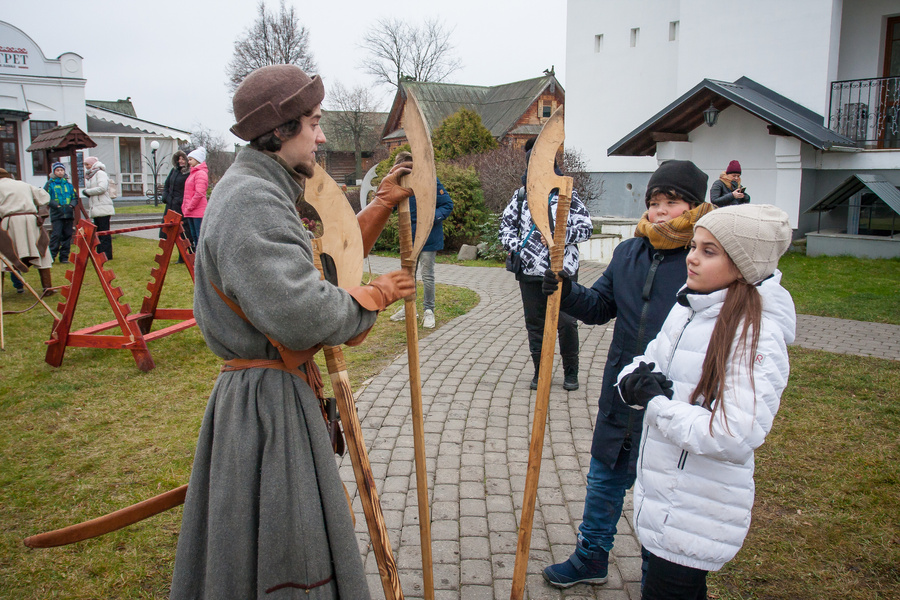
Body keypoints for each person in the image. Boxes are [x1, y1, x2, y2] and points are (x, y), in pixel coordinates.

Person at [169, 64, 416, 600]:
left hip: (275, 393)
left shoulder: (262, 189)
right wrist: (373, 297)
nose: (322, 136)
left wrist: (379, 206)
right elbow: (302, 311)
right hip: (267, 409)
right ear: (280, 130)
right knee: (285, 549)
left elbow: (320, 270)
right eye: (314, 122)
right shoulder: (251, 201)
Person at [541, 160, 713, 588]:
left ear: (693, 205)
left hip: (674, 397)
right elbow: (600, 307)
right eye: (654, 202)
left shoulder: (705, 260)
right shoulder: (629, 252)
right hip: (622, 388)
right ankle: (592, 556)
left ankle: (660, 574)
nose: (659, 211)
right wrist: (566, 289)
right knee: (604, 477)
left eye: (671, 202)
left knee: (664, 489)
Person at [617, 204, 795, 599]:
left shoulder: (755, 336)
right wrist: (630, 383)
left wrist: (658, 406)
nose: (691, 257)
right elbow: (648, 360)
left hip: (697, 511)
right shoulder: (691, 307)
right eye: (694, 246)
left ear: (744, 265)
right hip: (666, 498)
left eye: (708, 251)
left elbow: (732, 435)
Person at [499, 139, 593, 391]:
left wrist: (558, 234)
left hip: (560, 271)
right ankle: (540, 372)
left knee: (566, 322)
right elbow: (505, 228)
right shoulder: (520, 196)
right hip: (529, 272)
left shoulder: (566, 193)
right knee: (536, 324)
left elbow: (586, 228)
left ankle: (570, 372)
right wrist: (518, 245)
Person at [388, 150, 454, 329]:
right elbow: (392, 206)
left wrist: (430, 219)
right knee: (408, 274)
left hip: (428, 236)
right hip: (408, 237)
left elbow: (447, 205)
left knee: (427, 275)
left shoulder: (430, 181)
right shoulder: (399, 183)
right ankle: (409, 308)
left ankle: (428, 311)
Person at [0, 168, 54, 295]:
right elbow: (45, 197)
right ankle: (47, 288)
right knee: (41, 252)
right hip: (31, 220)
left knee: (4, 254)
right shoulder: (23, 184)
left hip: (10, 222)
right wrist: (40, 214)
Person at [44, 161, 79, 264]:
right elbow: (46, 197)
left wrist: (71, 205)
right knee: (56, 235)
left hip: (68, 213)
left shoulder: (68, 184)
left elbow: (74, 197)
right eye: (57, 170)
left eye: (61, 170)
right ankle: (51, 257)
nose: (60, 172)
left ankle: (64, 257)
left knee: (67, 235)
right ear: (54, 172)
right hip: (57, 214)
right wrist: (56, 205)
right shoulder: (50, 184)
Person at [82, 156, 115, 260]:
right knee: (99, 232)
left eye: (88, 164)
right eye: (85, 165)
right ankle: (101, 253)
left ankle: (106, 254)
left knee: (104, 232)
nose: (86, 166)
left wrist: (87, 192)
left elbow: (102, 188)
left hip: (103, 206)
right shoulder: (92, 175)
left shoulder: (100, 173)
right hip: (96, 207)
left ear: (93, 164)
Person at [159, 150, 190, 262]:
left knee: (183, 232)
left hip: (181, 206)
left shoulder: (189, 173)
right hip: (171, 205)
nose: (181, 161)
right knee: (168, 231)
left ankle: (184, 256)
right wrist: (166, 197)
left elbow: (189, 190)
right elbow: (167, 185)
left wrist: (181, 200)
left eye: (183, 159)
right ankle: (165, 256)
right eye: (179, 159)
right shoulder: (174, 171)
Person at [181, 147, 208, 250]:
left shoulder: (200, 173)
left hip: (197, 211)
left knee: (199, 236)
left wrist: (190, 206)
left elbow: (199, 193)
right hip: (191, 211)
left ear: (197, 159)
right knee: (194, 236)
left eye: (191, 159)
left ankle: (200, 261)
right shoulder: (193, 173)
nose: (189, 162)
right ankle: (197, 260)